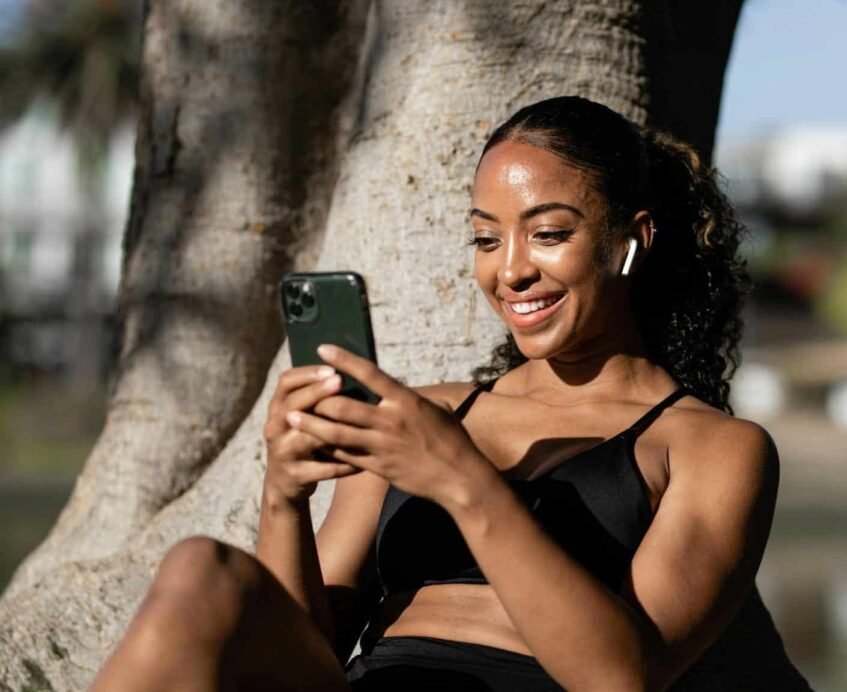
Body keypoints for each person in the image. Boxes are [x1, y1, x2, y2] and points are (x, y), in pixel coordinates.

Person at [90, 95, 781, 691]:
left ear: (632, 240)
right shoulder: (426, 414)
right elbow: (309, 651)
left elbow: (623, 678)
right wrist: (285, 495)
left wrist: (459, 479)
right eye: (486, 238)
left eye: (547, 234)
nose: (510, 271)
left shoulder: (712, 448)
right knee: (199, 568)